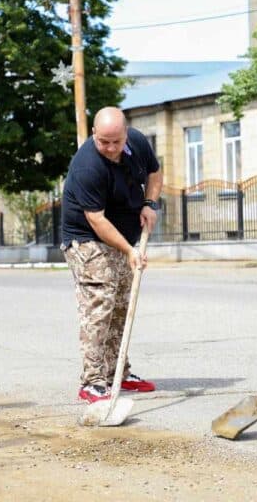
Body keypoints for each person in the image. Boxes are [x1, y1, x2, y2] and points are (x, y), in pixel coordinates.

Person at [61, 107, 163, 403]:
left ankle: (118, 372)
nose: (109, 148)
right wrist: (130, 250)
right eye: (103, 141)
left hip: (123, 235)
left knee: (121, 304)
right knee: (100, 304)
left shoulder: (139, 144)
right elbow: (97, 220)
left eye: (115, 142)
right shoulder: (87, 166)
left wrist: (149, 203)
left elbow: (155, 174)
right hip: (87, 238)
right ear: (94, 134)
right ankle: (92, 380)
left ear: (126, 135)